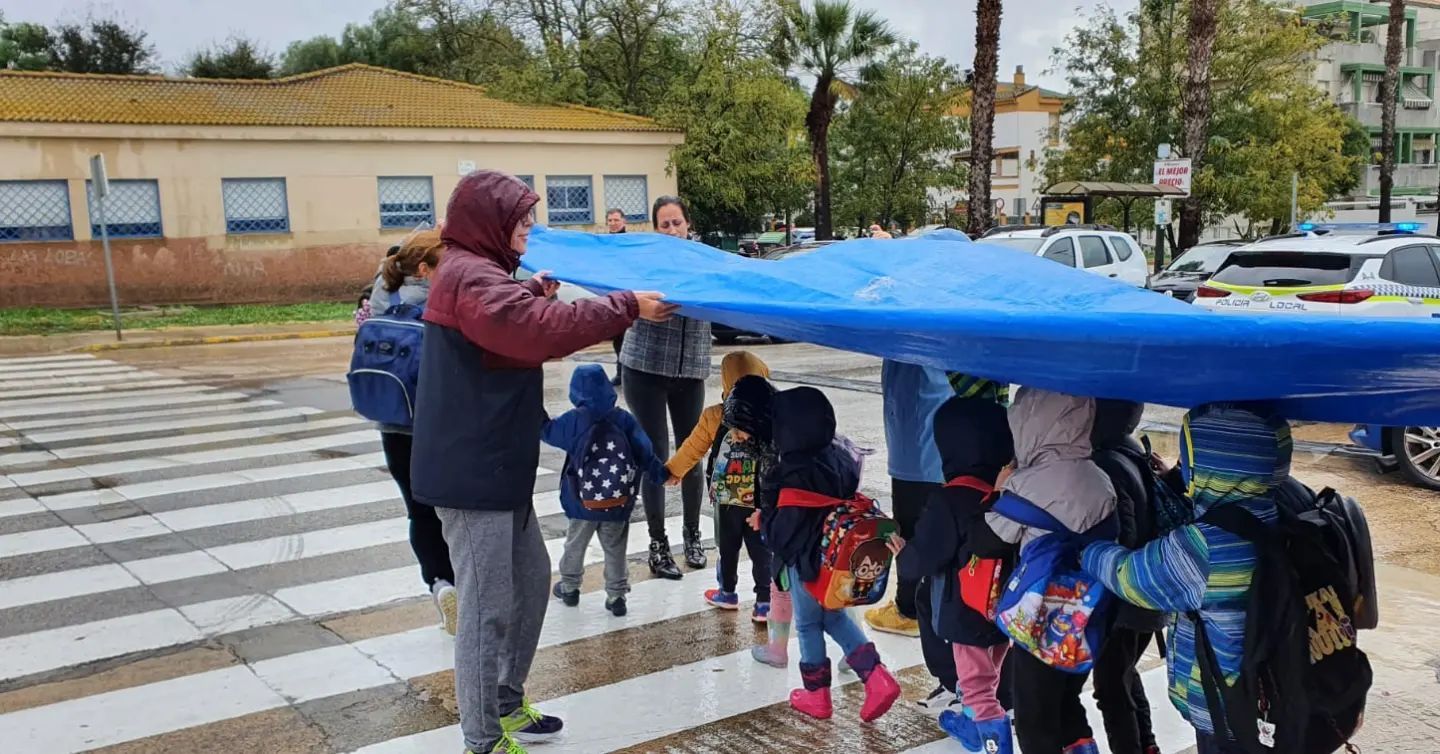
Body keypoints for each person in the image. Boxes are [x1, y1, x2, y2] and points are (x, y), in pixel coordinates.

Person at [410, 169, 676, 754]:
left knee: (530, 585)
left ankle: (505, 702)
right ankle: (482, 738)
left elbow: (508, 325)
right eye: (521, 218)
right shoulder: (468, 275)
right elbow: (534, 335)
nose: (530, 228)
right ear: (490, 222)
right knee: (485, 609)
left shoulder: (480, 274)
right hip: (472, 472)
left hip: (497, 465)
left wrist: (531, 292)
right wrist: (626, 304)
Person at [1083, 404, 1292, 754]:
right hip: (1281, 687)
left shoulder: (1205, 544)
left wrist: (1088, 551)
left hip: (1228, 703)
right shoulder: (1283, 510)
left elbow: (1131, 577)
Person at [986, 387, 1116, 754]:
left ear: (1029, 426)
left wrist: (999, 491)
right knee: (1066, 698)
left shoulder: (1026, 483)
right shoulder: (1100, 479)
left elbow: (990, 537)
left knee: (1033, 715)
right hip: (1087, 613)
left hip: (1041, 615)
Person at [760, 386, 901, 723]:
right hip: (837, 560)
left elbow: (782, 534)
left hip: (808, 564)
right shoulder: (840, 456)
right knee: (835, 617)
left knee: (808, 626)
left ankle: (817, 695)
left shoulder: (790, 472)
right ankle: (878, 678)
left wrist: (766, 519)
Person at [890, 395, 1017, 754]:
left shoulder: (951, 499)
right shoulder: (1008, 490)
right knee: (986, 670)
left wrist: (905, 556)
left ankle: (993, 739)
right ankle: (971, 717)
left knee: (975, 680)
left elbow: (926, 555)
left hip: (964, 609)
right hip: (1004, 605)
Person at [354, 229, 457, 635]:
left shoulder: (383, 290)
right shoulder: (439, 299)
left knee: (417, 511)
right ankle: (463, 585)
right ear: (424, 268)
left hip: (392, 420)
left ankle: (440, 583)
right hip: (435, 423)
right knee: (450, 509)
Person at [620, 195, 713, 579]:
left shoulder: (706, 260)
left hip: (690, 369)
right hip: (644, 367)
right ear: (655, 228)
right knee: (654, 454)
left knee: (690, 454)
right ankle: (657, 544)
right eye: (664, 224)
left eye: (677, 223)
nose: (672, 230)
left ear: (688, 224)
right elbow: (618, 295)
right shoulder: (642, 261)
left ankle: (692, 534)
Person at [543, 364, 669, 618]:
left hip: (581, 502)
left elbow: (545, 431)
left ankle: (569, 587)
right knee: (615, 548)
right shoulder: (623, 419)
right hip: (618, 502)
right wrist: (660, 474)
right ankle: (616, 595)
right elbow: (645, 452)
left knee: (575, 544)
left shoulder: (574, 420)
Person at [663, 352, 774, 621]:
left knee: (727, 547)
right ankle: (764, 603)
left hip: (726, 500)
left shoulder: (715, 415)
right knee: (762, 551)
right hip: (759, 501)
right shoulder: (770, 415)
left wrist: (674, 470)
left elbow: (693, 446)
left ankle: (727, 593)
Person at [1088, 399, 1164, 754]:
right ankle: (1146, 745)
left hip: (1124, 603)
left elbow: (1123, 536)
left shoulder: (1105, 462)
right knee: (1123, 674)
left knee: (1110, 688)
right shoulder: (1133, 451)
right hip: (1147, 598)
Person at [868, 362, 951, 639]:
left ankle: (908, 609)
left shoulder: (912, 341)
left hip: (915, 452)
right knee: (927, 526)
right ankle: (921, 603)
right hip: (927, 447)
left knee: (908, 529)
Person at [606, 208, 627, 387]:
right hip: (613, 297)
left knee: (629, 338)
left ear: (623, 221)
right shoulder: (604, 243)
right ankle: (621, 373)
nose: (613, 223)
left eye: (616, 220)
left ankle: (626, 374)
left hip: (629, 296)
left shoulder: (629, 243)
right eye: (610, 220)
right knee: (618, 339)